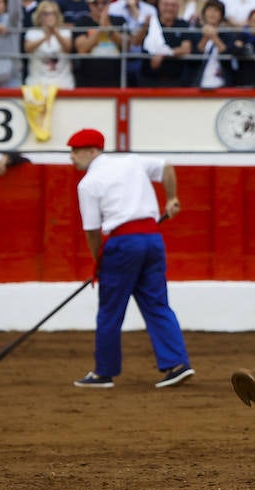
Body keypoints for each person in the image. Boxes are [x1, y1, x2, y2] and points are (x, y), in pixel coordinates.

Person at [67, 128, 193, 390]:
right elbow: (166, 167)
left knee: (110, 311)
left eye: (76, 152)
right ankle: (177, 364)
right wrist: (171, 197)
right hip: (153, 241)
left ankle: (104, 372)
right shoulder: (131, 161)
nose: (72, 158)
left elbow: (92, 231)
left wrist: (97, 262)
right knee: (157, 304)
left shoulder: (88, 183)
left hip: (122, 244)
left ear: (92, 152)